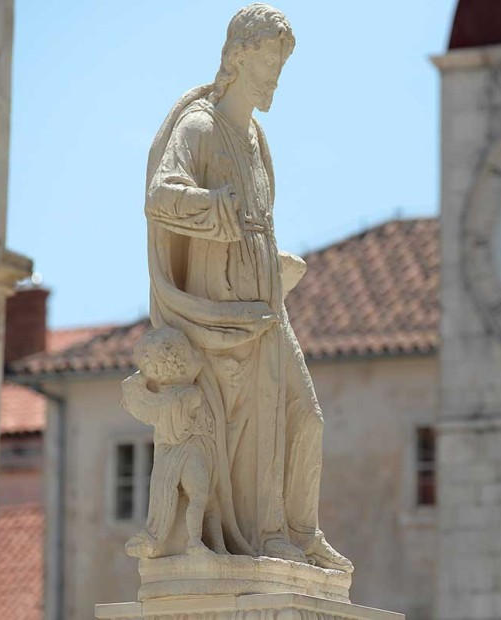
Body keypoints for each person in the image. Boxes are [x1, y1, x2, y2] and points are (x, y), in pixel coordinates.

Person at [143, 3, 352, 572]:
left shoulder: (257, 139)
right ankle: (269, 536)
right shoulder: (200, 127)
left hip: (266, 302)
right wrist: (213, 211)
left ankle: (300, 529)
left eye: (281, 65)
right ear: (238, 57)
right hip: (220, 308)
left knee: (304, 416)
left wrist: (271, 259)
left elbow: (258, 220)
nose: (275, 77)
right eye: (268, 63)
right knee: (256, 420)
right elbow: (161, 196)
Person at [121, 327, 225, 558]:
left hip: (179, 452)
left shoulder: (160, 400)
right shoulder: (189, 395)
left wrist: (142, 378)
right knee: (199, 496)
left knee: (201, 496)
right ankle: (194, 542)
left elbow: (135, 395)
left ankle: (199, 542)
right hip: (186, 451)